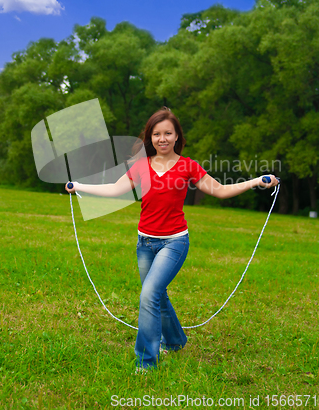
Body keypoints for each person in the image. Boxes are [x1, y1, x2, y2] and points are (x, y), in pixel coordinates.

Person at [65, 107, 278, 373]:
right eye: (156, 134)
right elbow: (114, 189)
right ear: (150, 137)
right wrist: (79, 186)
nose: (162, 138)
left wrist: (256, 181)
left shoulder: (188, 166)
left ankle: (145, 363)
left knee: (149, 295)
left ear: (177, 136)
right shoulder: (141, 165)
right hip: (145, 243)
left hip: (174, 242)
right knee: (157, 296)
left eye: (168, 133)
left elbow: (220, 191)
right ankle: (176, 341)